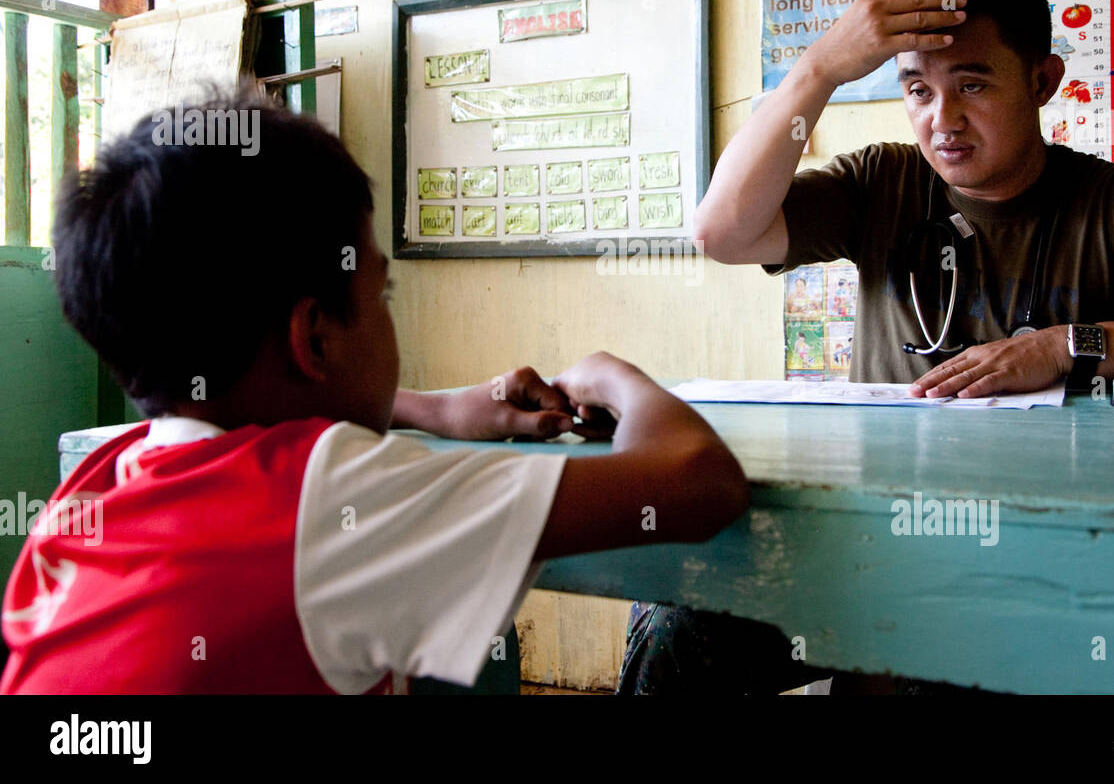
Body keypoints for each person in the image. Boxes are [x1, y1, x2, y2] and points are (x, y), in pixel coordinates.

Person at [619, 0, 1114, 694]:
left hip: (1034, 560)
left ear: (1041, 81)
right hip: (862, 544)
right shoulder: (881, 183)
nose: (941, 121)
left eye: (972, 85)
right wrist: (819, 69)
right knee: (673, 632)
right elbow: (722, 233)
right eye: (918, 90)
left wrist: (1069, 345)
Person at [0, 92, 748, 694]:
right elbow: (699, 481)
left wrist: (438, 408)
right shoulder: (328, 499)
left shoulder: (96, 490)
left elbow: (274, 422)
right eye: (381, 291)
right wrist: (611, 372)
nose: (388, 308)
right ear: (314, 337)